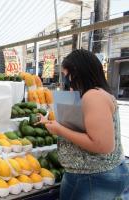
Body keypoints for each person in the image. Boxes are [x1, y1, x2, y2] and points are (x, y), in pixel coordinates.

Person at [40, 49, 129, 200]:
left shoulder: (93, 96)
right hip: (90, 176)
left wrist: (59, 130)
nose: (65, 79)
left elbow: (102, 145)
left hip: (93, 177)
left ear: (77, 72)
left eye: (66, 74)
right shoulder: (95, 93)